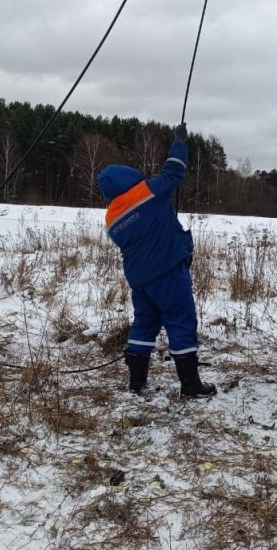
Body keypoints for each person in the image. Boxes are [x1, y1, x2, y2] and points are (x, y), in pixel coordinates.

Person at [97, 123, 216, 399]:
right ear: (129, 178)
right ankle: (191, 385)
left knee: (144, 325)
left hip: (141, 281)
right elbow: (173, 172)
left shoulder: (113, 218)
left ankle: (136, 382)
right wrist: (179, 143)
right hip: (168, 273)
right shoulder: (145, 194)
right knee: (181, 321)